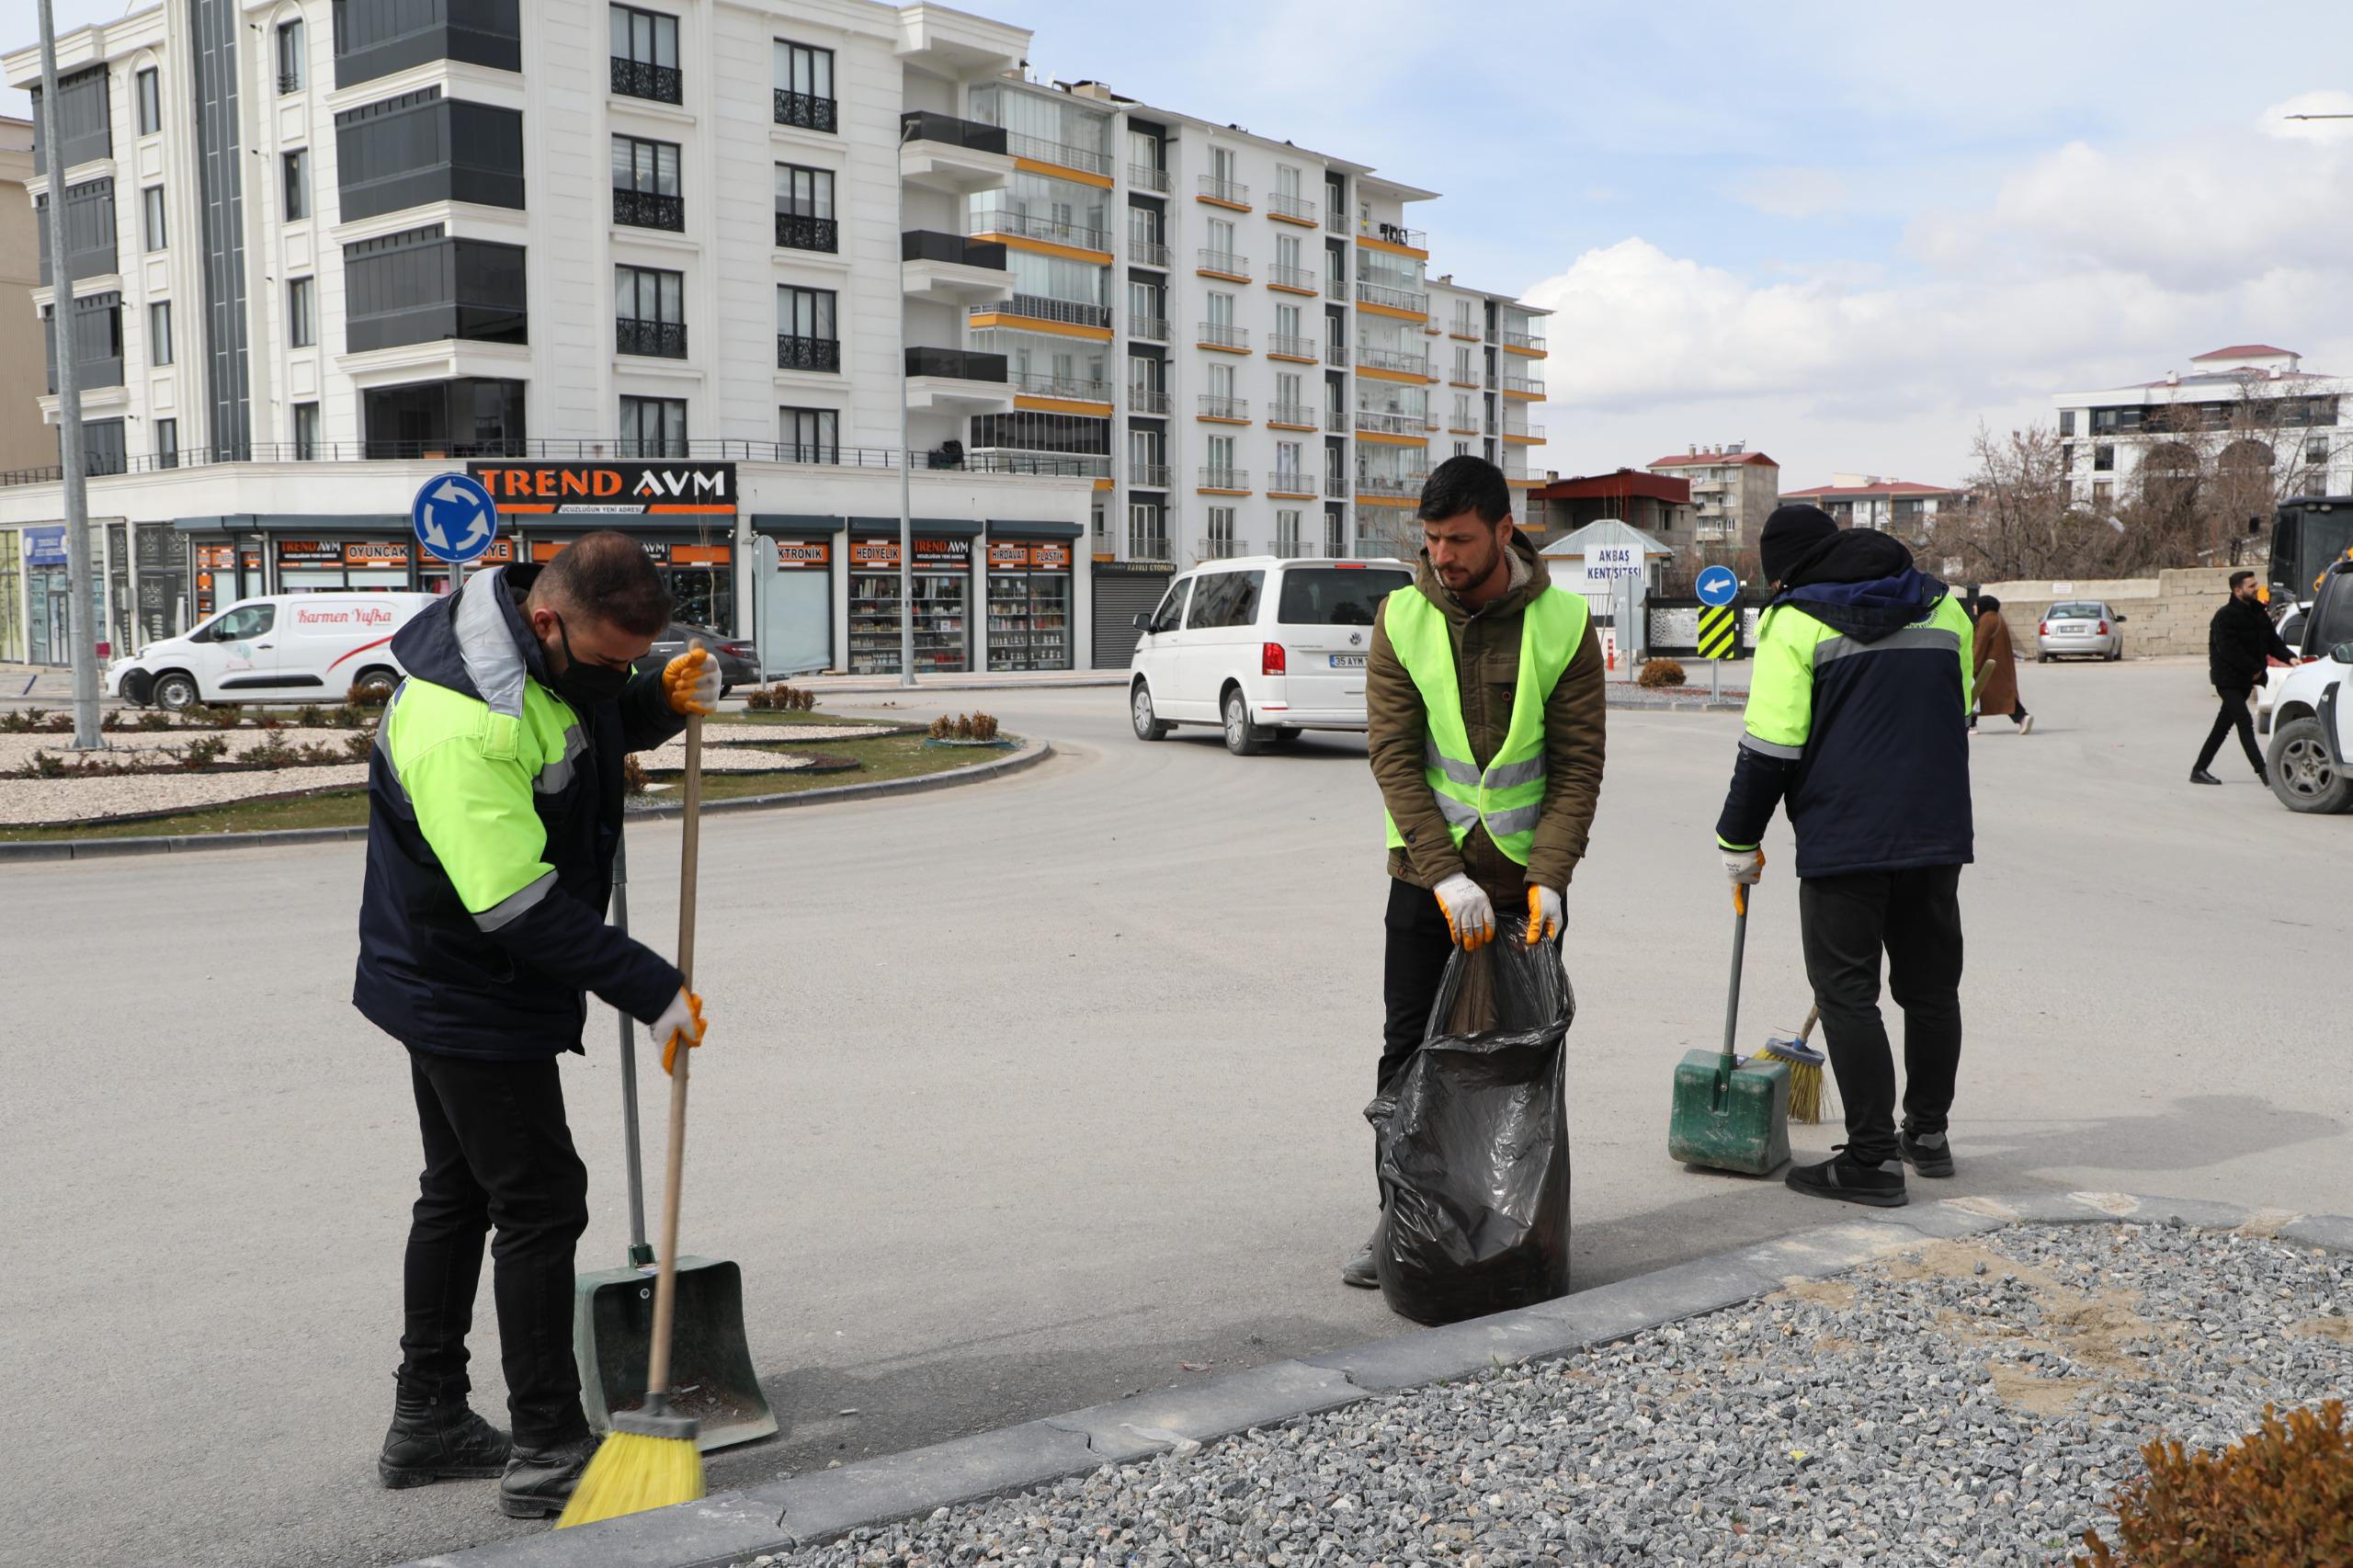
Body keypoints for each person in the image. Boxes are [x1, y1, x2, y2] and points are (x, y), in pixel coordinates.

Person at [353, 532, 719, 1517]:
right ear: (547, 620)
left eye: (628, 663)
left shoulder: (531, 656)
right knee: (542, 1200)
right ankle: (549, 1446)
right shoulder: (465, 716)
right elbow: (513, 901)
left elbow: (574, 728)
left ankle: (426, 1418)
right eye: (608, 661)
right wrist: (655, 989)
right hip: (466, 982)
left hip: (454, 972)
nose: (615, 675)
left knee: (461, 1189)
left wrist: (649, 701)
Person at [1348, 455, 1607, 1286]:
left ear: (1503, 529)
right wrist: (1442, 875)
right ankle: (1401, 1228)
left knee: (1516, 1059)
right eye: (1430, 541)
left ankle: (1518, 1231)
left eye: (1458, 539)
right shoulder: (1401, 618)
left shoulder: (1564, 624)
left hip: (1526, 887)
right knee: (1410, 1055)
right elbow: (1393, 756)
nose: (1443, 557)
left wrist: (1552, 877)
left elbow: (1576, 765)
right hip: (1428, 881)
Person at [1714, 505, 1974, 1209]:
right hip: (1935, 833)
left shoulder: (1793, 622)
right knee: (1929, 990)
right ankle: (1926, 1137)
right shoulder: (1944, 609)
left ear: (1786, 571)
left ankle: (1870, 1161)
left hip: (1845, 839)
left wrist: (1738, 838)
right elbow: (1964, 709)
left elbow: (1770, 748)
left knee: (1848, 994)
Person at [2191, 570, 2291, 787]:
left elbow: (2272, 642)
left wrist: (2291, 658)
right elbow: (2229, 650)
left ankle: (2199, 769)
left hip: (2246, 679)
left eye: (2256, 584)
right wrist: (2254, 668)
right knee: (2245, 722)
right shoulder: (2224, 616)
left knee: (2222, 726)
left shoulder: (2257, 613)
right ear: (2238, 591)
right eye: (2251, 585)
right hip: (2227, 680)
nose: (2256, 588)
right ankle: (2265, 773)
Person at [1968, 596, 2031, 734]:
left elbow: (1980, 646)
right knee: (1988, 696)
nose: (1974, 607)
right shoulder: (1997, 618)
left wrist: (1973, 667)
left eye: (1976, 604)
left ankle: (2021, 717)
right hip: (1997, 667)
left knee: (1976, 694)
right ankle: (2022, 717)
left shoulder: (1986, 620)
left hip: (1988, 669)